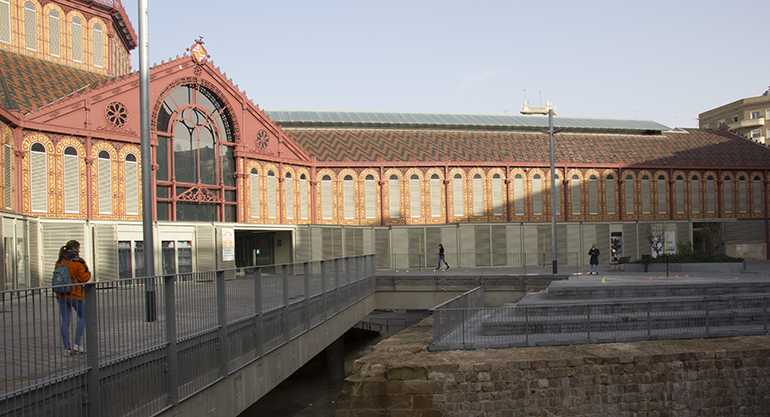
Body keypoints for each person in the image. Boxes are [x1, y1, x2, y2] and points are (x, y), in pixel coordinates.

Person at [56, 240, 91, 356]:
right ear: (75, 249)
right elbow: (84, 278)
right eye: (78, 248)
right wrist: (89, 273)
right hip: (75, 294)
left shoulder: (59, 261)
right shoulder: (77, 262)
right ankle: (77, 344)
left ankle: (67, 348)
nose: (79, 251)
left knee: (65, 320)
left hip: (61, 294)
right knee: (83, 316)